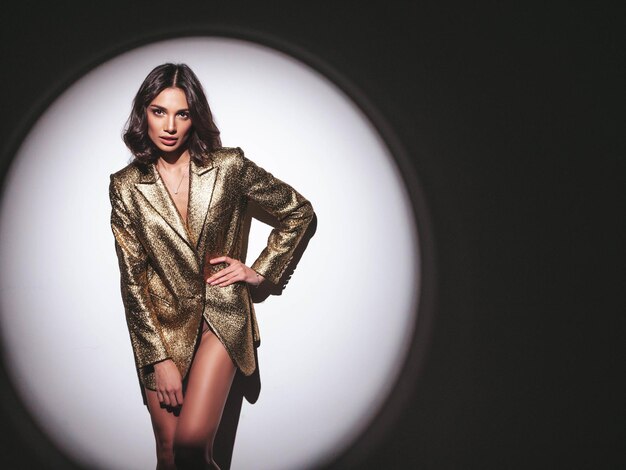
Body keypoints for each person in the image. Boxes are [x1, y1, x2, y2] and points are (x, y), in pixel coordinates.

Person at [109, 63, 314, 469]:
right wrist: (157, 357)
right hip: (161, 328)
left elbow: (297, 210)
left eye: (181, 113)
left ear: (194, 117)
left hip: (221, 319)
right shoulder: (125, 185)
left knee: (190, 449)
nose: (169, 125)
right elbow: (132, 278)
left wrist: (261, 271)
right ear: (143, 114)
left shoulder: (228, 166)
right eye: (158, 111)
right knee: (168, 456)